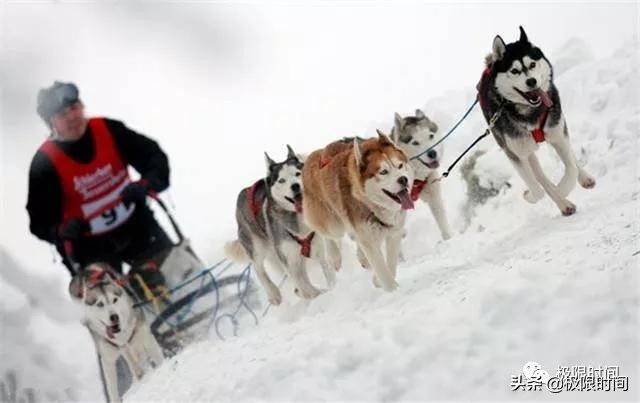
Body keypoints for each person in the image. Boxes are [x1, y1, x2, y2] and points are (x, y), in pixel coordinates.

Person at [26, 81, 173, 295]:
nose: (72, 118)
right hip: (89, 249)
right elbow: (39, 221)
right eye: (62, 115)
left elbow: (154, 157)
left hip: (137, 228)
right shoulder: (45, 164)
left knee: (176, 278)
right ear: (51, 124)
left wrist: (146, 184)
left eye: (75, 109)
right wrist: (60, 230)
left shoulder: (109, 130)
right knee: (116, 313)